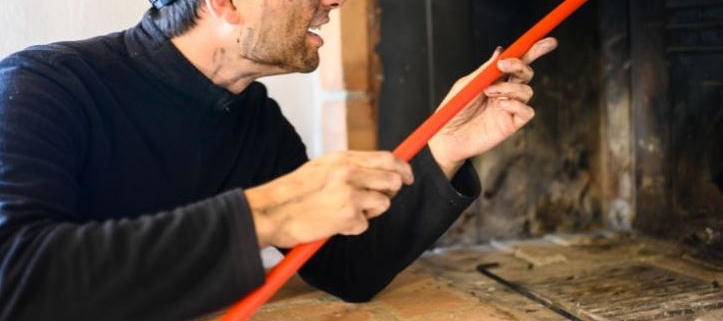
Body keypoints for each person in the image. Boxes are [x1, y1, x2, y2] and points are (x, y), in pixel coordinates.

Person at [0, 0, 557, 320]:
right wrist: (267, 212)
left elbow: (345, 267)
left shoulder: (251, 118)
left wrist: (448, 146)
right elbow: (16, 276)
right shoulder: (42, 87)